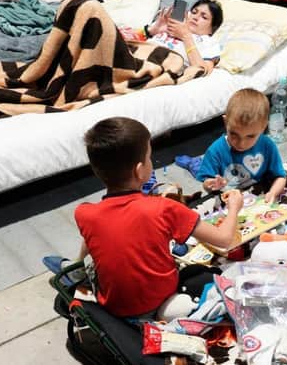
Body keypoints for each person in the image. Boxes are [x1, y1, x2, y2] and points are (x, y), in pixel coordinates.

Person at [47, 116, 243, 318]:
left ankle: (76, 266)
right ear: (140, 171)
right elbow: (224, 239)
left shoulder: (84, 213)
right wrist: (234, 208)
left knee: (99, 233)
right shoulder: (164, 208)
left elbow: (99, 234)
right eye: (150, 157)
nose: (152, 161)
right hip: (161, 299)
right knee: (205, 274)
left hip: (113, 307)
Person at [196, 88, 287, 203]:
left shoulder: (267, 145)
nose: (241, 143)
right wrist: (211, 184)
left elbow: (281, 176)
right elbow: (206, 185)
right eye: (234, 134)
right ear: (225, 122)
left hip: (256, 197)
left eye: (250, 136)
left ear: (263, 127)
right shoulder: (215, 151)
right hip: (227, 202)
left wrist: (272, 193)